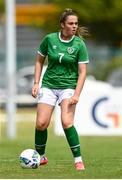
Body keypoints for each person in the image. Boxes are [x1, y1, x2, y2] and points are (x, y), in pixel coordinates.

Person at [32, 8, 89, 171]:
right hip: (49, 85)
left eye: (76, 24)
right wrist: (36, 83)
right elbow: (38, 61)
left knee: (66, 121)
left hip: (69, 87)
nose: (74, 26)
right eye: (71, 23)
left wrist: (77, 94)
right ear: (62, 25)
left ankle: (78, 160)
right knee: (41, 123)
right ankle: (40, 157)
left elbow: (82, 72)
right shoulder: (49, 39)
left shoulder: (79, 44)